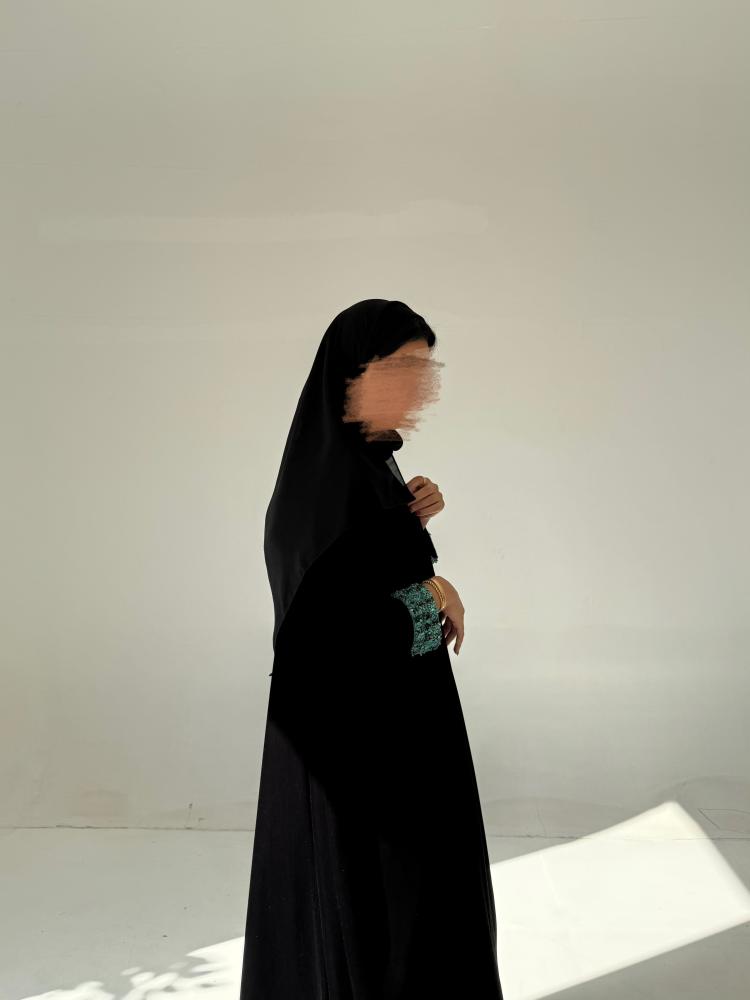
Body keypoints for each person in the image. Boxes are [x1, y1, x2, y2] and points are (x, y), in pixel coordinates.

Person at [239, 298, 504, 999]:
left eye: (426, 368)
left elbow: (366, 574)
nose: (421, 386)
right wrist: (436, 593)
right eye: (401, 367)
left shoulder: (363, 468)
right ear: (349, 374)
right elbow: (336, 640)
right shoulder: (324, 490)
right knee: (387, 920)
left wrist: (413, 516)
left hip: (396, 736)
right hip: (361, 758)